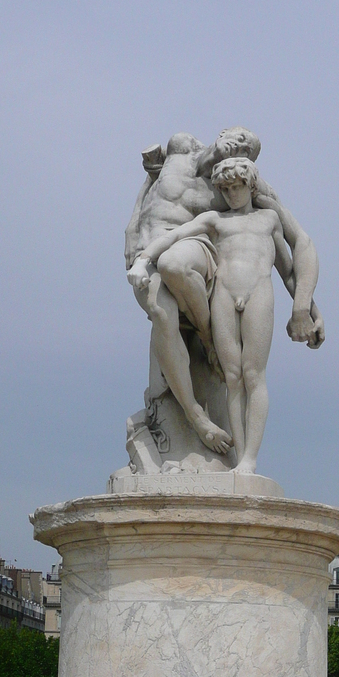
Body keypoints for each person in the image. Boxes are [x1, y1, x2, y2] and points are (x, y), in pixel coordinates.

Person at [124, 129, 324, 455]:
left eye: (243, 151)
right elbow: (152, 197)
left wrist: (306, 307)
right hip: (158, 255)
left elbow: (297, 247)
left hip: (211, 263)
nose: (231, 191)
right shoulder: (182, 150)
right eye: (233, 142)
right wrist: (136, 239)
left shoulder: (255, 200)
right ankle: (199, 420)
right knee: (169, 320)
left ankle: (246, 458)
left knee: (250, 374)